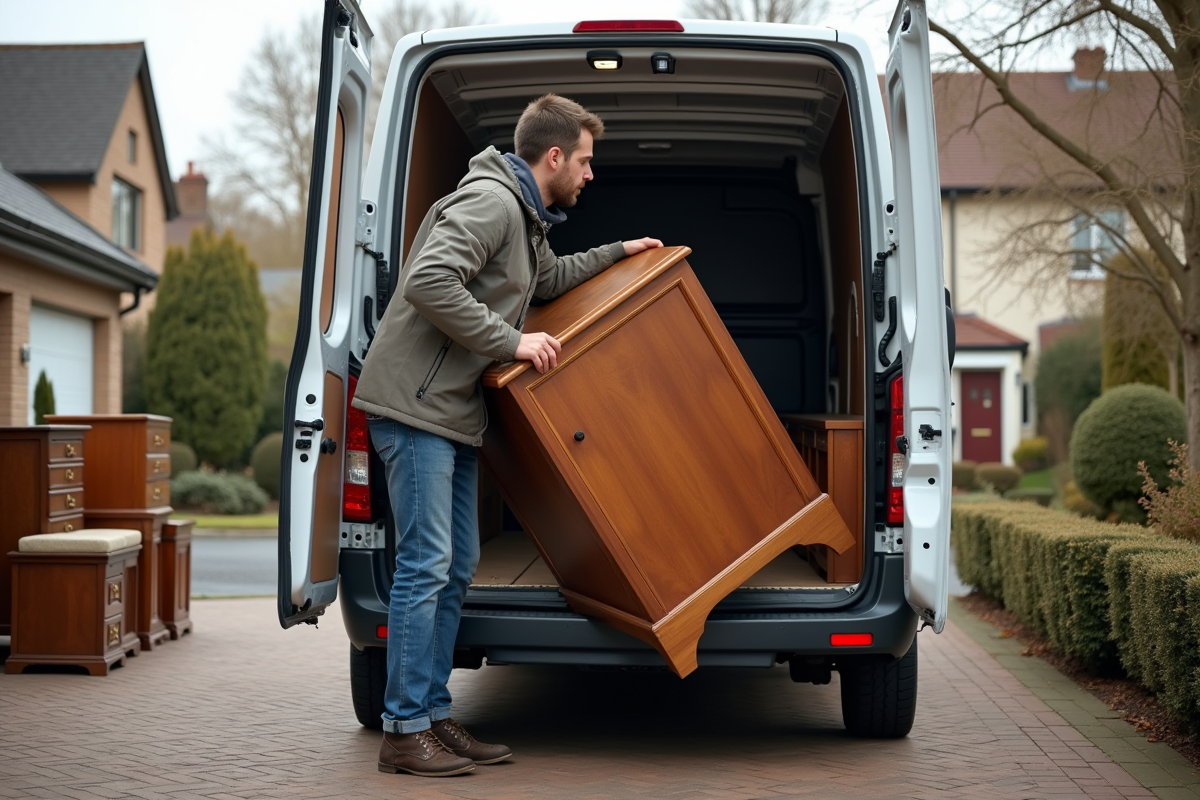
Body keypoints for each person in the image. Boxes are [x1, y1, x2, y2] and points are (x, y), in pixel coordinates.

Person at [351, 93, 662, 777]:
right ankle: (403, 730)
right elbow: (430, 281)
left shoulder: (523, 220)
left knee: (454, 566)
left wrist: (620, 252)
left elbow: (546, 279)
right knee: (426, 565)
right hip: (416, 406)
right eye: (584, 160)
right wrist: (511, 340)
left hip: (452, 413)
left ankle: (431, 713)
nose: (589, 173)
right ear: (553, 156)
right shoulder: (491, 204)